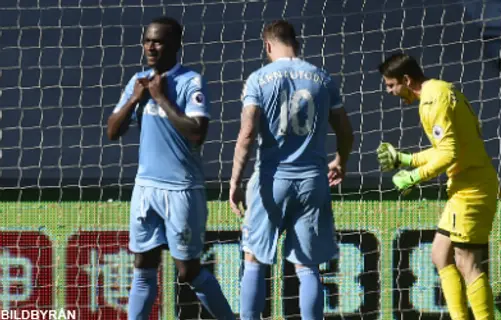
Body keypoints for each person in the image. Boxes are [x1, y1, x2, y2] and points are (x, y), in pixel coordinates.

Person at [106, 16, 234, 320]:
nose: (150, 47)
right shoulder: (137, 81)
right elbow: (112, 131)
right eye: (147, 40)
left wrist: (161, 98)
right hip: (145, 187)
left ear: (175, 45)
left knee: (188, 270)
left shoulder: (191, 81)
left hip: (182, 190)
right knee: (143, 266)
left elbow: (196, 133)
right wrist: (136, 99)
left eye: (158, 41)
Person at [229, 20, 354, 320]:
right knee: (307, 265)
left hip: (272, 180)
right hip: (312, 179)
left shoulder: (259, 79)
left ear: (268, 46)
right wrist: (341, 161)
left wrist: (235, 180)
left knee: (254, 259)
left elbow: (247, 134)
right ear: (296, 43)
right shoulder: (322, 78)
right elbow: (346, 131)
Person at [376, 53, 498, 320]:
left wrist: (413, 176)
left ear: (406, 80)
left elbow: (449, 154)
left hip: (473, 188)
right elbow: (445, 149)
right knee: (440, 254)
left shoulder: (432, 101)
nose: (390, 92)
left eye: (391, 85)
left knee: (468, 263)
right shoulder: (441, 89)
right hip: (465, 185)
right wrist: (405, 160)